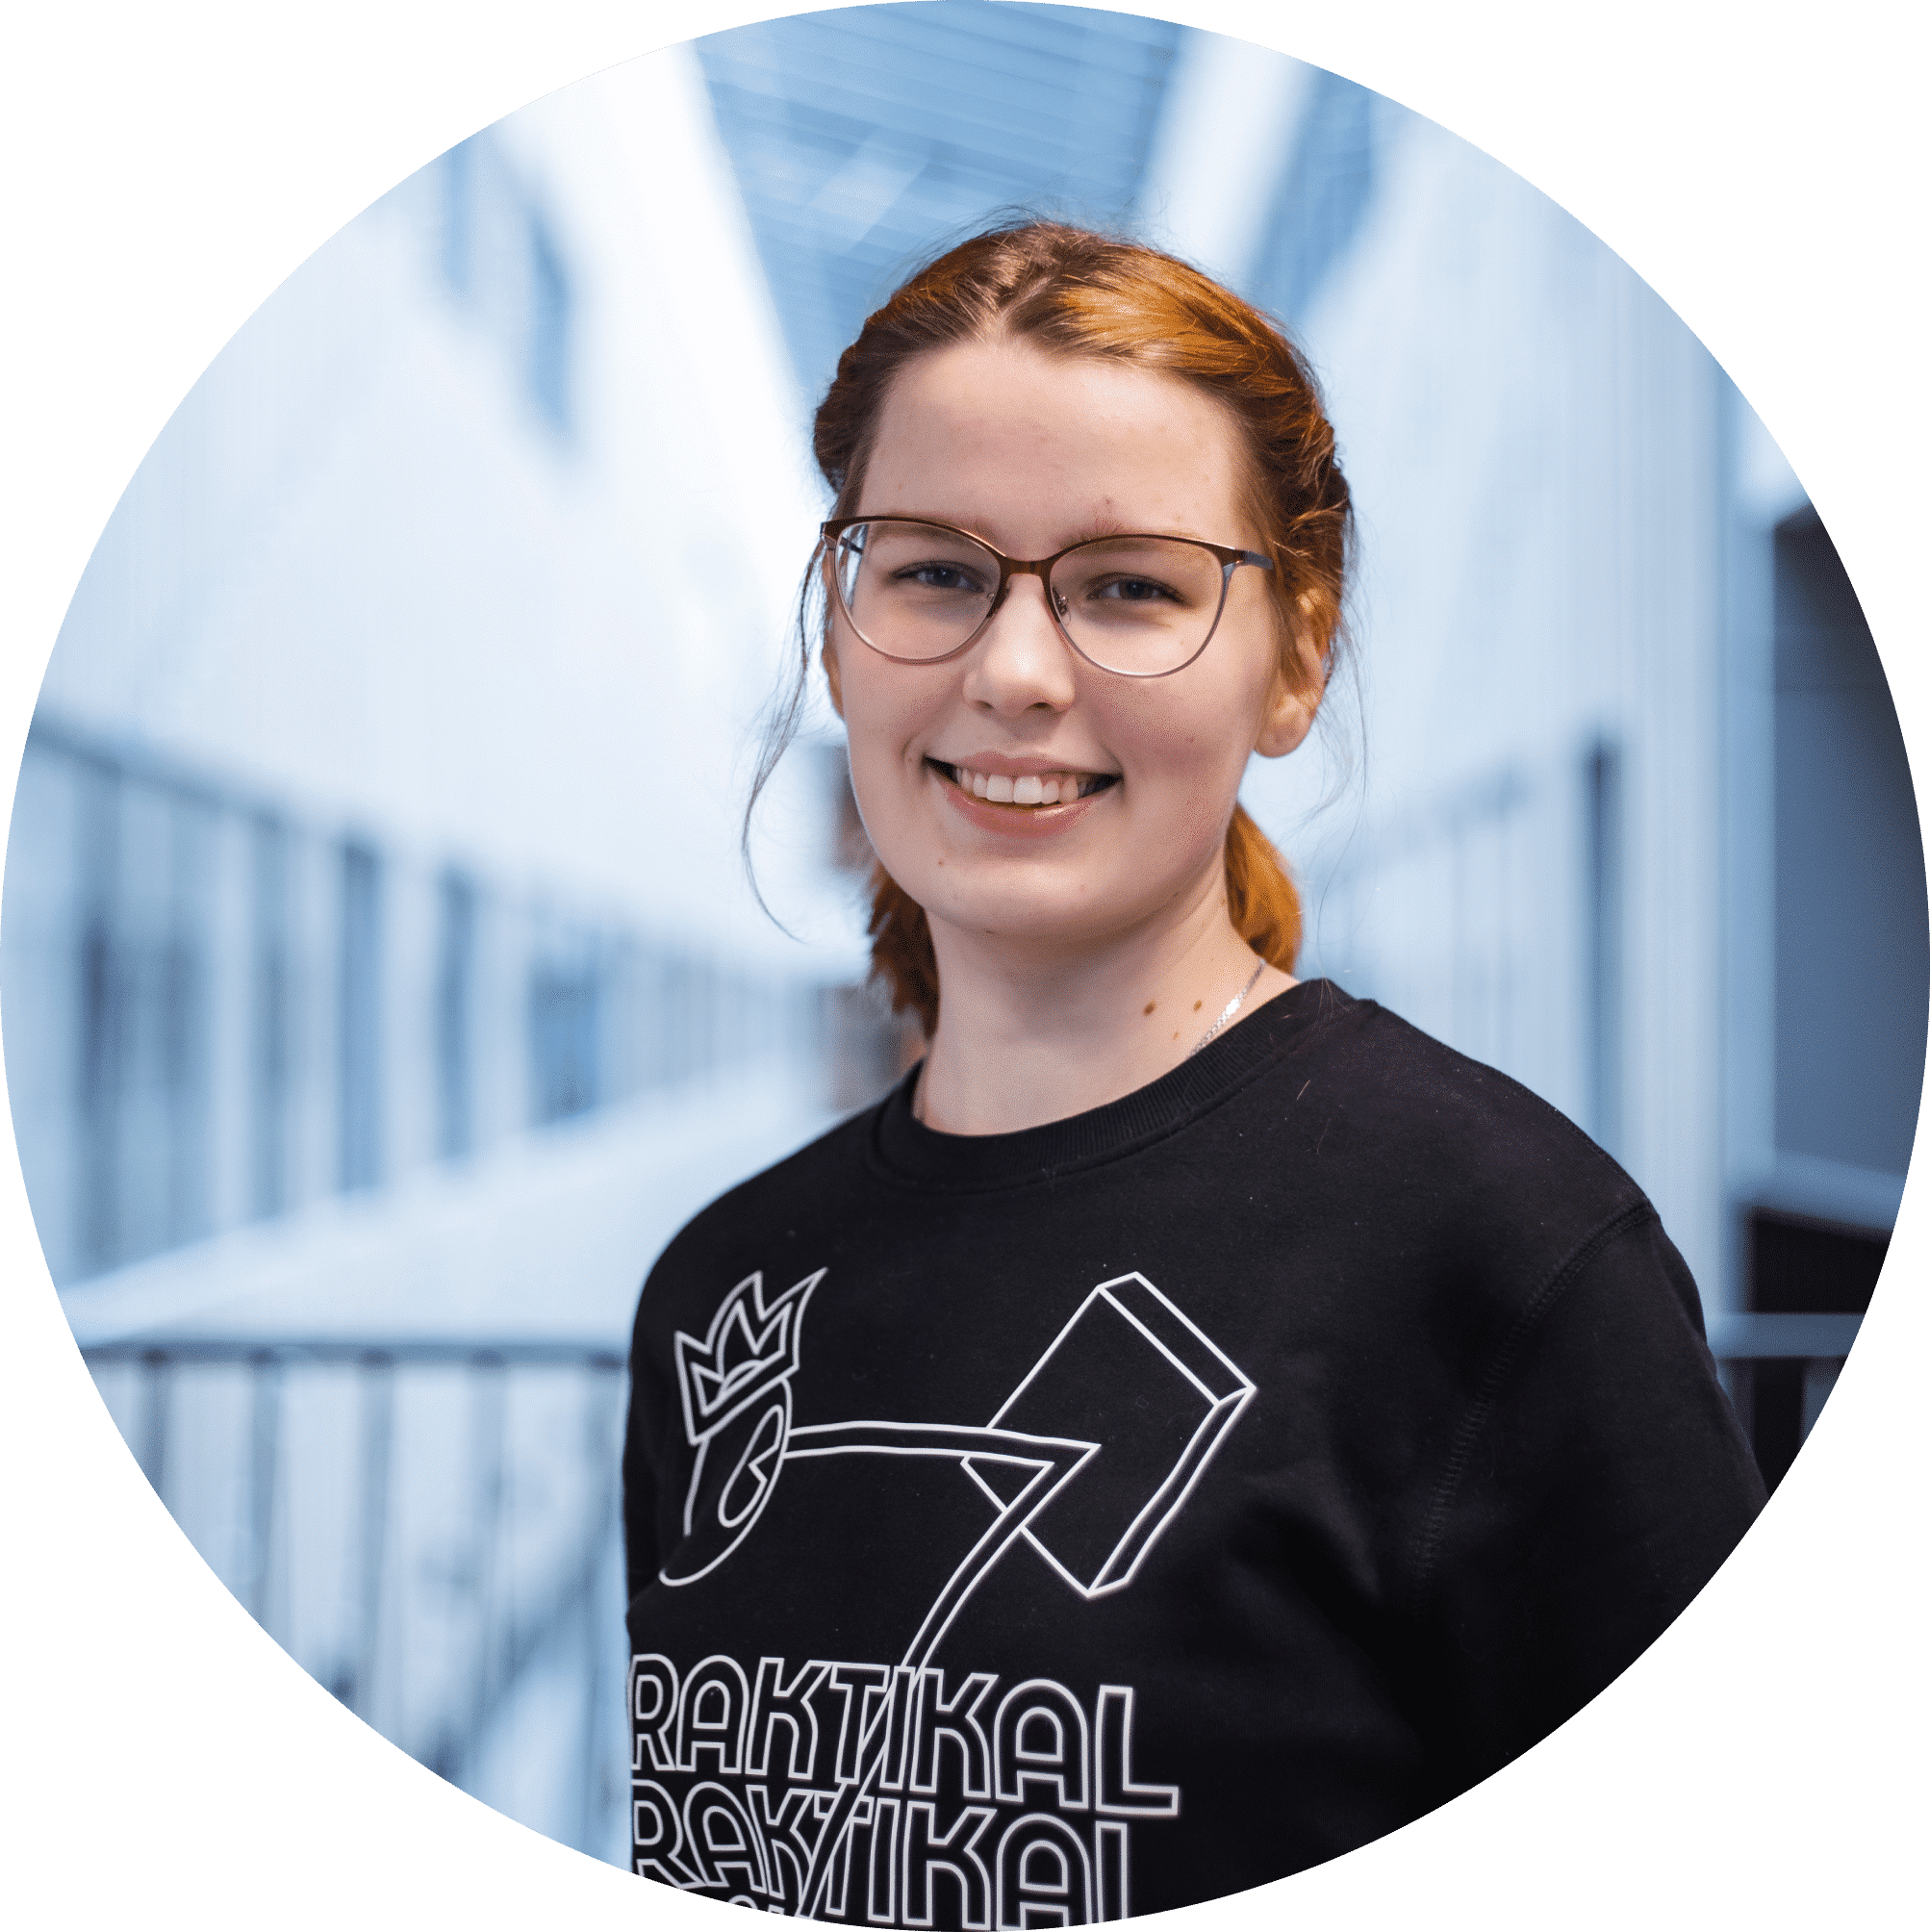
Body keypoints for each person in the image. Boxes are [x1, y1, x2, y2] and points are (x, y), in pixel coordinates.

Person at [622, 221, 1765, 1923]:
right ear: (839, 633)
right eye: (932, 572)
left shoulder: (1496, 1251)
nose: (1013, 673)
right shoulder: (725, 1294)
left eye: (1128, 587)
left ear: (1293, 660)